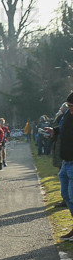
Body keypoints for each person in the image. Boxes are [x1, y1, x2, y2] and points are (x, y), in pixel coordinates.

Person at [54, 95, 73, 241]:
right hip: (66, 162)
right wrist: (54, 131)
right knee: (66, 195)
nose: (69, 108)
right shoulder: (67, 115)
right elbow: (63, 130)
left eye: (71, 106)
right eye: (68, 105)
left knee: (72, 196)